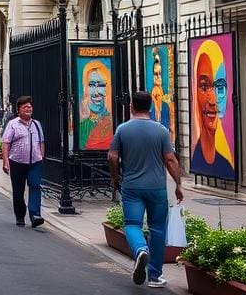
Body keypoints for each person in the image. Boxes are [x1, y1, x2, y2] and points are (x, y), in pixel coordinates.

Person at [109, 90, 183, 288]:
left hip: (132, 186)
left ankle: (141, 249)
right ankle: (155, 276)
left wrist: (116, 178)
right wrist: (178, 184)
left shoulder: (122, 129)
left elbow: (112, 156)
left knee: (132, 224)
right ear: (150, 106)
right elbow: (170, 159)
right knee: (158, 229)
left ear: (132, 106)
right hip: (156, 187)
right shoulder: (161, 130)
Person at [190, 40, 234, 180]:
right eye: (204, 87)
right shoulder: (197, 157)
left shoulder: (226, 165)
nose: (213, 100)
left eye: (220, 88)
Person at [1, 95, 45, 227]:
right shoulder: (12, 124)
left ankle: (35, 214)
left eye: (30, 107)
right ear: (19, 110)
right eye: (25, 107)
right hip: (17, 162)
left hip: (35, 162)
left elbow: (41, 142)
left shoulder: (37, 124)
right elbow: (6, 143)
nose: (28, 109)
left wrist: (42, 156)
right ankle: (20, 215)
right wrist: (5, 161)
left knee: (35, 186)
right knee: (18, 191)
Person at [79, 59, 113, 150]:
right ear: (85, 89)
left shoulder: (114, 124)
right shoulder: (81, 127)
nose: (96, 92)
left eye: (101, 85)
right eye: (91, 85)